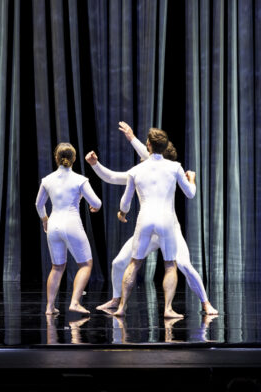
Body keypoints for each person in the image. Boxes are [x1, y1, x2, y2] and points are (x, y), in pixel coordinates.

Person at [86, 122, 217, 315]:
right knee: (119, 262)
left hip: (155, 225)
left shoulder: (149, 170)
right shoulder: (156, 169)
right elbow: (113, 177)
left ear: (151, 148)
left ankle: (206, 303)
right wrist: (98, 162)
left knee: (184, 265)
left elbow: (139, 162)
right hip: (163, 224)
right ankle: (116, 299)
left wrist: (128, 140)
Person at [111, 128, 196, 318]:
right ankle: (167, 309)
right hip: (166, 219)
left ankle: (121, 307)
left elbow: (126, 200)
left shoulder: (136, 170)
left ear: (148, 145)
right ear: (165, 146)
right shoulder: (175, 167)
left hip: (145, 218)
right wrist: (192, 180)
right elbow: (190, 193)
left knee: (134, 263)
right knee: (170, 265)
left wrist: (122, 213)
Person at [35, 143, 102, 315]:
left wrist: (44, 220)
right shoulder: (80, 180)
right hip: (72, 224)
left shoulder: (47, 180)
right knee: (86, 264)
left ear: (56, 158)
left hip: (54, 225)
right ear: (74, 159)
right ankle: (74, 302)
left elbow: (38, 204)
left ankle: (49, 307)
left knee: (57, 267)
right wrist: (94, 207)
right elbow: (96, 202)